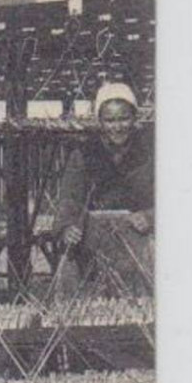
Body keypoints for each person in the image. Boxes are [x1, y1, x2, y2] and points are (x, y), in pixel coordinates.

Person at [53, 82, 154, 298]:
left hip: (141, 241)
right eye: (110, 120)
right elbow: (70, 199)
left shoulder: (151, 152)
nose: (117, 127)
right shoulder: (83, 155)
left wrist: (150, 216)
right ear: (100, 121)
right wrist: (67, 228)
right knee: (71, 271)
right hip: (93, 242)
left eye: (123, 118)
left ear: (134, 118)